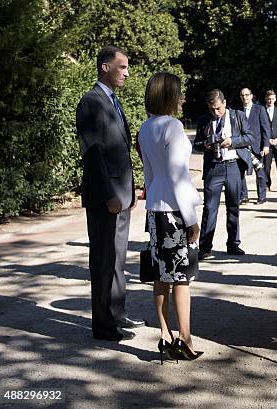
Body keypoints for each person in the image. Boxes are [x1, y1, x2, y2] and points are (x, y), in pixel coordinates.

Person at [76, 46, 145, 342]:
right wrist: (109, 195)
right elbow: (92, 154)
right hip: (106, 197)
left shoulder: (113, 101)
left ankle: (116, 315)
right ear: (105, 67)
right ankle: (102, 325)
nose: (127, 73)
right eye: (123, 67)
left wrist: (131, 188)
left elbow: (119, 151)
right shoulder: (91, 102)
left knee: (117, 259)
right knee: (103, 259)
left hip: (121, 194)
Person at [138, 72, 202, 361]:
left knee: (161, 275)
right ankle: (186, 338)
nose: (181, 98)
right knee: (182, 278)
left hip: (155, 209)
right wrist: (191, 219)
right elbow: (179, 177)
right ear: (168, 96)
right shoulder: (173, 127)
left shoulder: (145, 127)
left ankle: (165, 334)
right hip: (176, 210)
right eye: (178, 93)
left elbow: (149, 177)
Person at [196, 89, 253, 259]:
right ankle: (205, 247)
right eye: (212, 109)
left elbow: (250, 137)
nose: (216, 112)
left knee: (233, 206)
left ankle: (233, 244)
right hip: (214, 167)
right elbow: (197, 144)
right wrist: (205, 144)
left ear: (225, 103)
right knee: (210, 208)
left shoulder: (238, 116)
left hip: (233, 165)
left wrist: (233, 142)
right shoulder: (204, 120)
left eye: (219, 108)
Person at [239, 87, 271, 205]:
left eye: (247, 95)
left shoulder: (260, 109)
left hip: (257, 147)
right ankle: (244, 196)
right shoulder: (238, 111)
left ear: (251, 96)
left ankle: (262, 197)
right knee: (240, 172)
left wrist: (266, 145)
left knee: (260, 173)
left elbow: (266, 129)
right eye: (242, 95)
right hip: (242, 147)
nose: (245, 97)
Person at [263, 90, 277, 191]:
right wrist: (267, 140)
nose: (270, 100)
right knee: (266, 166)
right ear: (265, 99)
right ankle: (267, 185)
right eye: (268, 99)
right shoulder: (261, 110)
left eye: (272, 99)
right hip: (267, 143)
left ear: (275, 99)